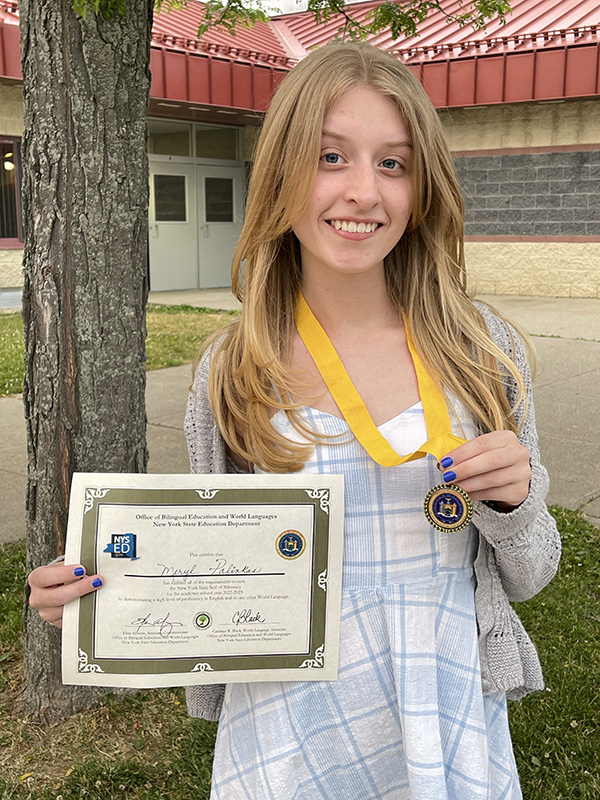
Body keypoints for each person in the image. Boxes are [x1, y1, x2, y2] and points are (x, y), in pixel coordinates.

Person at [29, 42, 560, 799]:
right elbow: (203, 559)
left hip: (443, 716)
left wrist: (514, 503)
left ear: (421, 187)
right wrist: (97, 596)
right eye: (330, 157)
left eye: (393, 164)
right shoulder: (232, 372)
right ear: (282, 173)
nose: (362, 193)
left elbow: (533, 572)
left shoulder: (481, 352)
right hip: (287, 733)